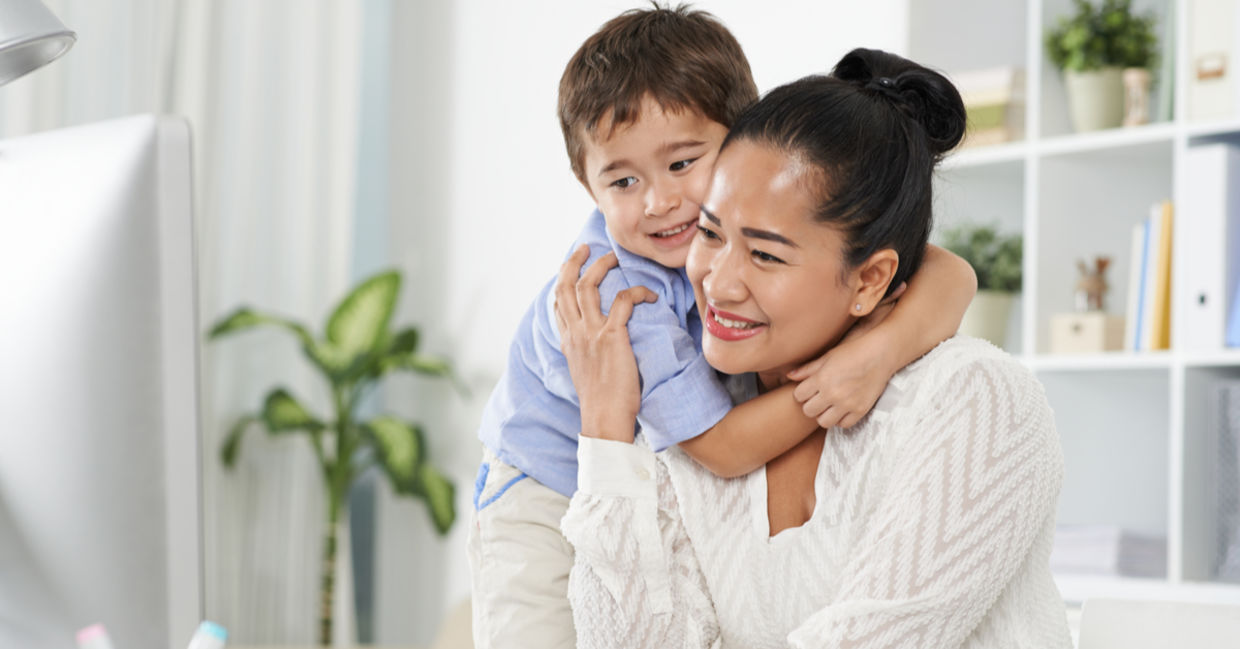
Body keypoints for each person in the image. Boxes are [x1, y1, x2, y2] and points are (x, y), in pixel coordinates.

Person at [467, 7, 979, 649]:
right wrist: (826, 390)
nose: (659, 201)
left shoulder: (722, 236)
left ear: (739, 142)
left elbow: (950, 272)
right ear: (585, 182)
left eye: (683, 164)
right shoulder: (622, 293)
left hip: (638, 487)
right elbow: (723, 448)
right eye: (622, 180)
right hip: (539, 495)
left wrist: (879, 351)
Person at [554, 48, 1073, 648]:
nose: (717, 284)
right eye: (711, 233)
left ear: (870, 280)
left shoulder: (972, 400)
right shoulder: (692, 419)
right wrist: (605, 430)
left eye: (767, 255)